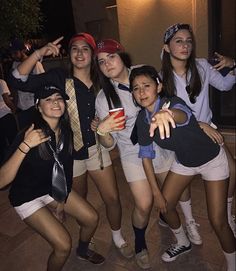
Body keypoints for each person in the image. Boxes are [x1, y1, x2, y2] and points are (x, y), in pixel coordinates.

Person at [8, 33, 133, 260]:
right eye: (74, 48)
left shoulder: (101, 80)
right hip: (69, 154)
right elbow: (17, 79)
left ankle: (117, 237)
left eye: (85, 49)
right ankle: (87, 238)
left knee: (112, 198)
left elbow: (129, 83)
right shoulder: (58, 77)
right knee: (80, 199)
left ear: (93, 55)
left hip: (96, 149)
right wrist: (38, 53)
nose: (79, 53)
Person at [129, 64, 235, 271]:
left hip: (212, 159)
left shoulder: (172, 103)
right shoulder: (142, 121)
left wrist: (166, 115)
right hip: (184, 163)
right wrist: (155, 192)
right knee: (165, 206)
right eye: (135, 88)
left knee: (218, 221)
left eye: (146, 85)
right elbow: (146, 158)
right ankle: (182, 242)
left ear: (158, 87)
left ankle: (232, 264)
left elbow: (183, 115)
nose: (141, 92)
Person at [0, 85, 105, 271]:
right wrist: (25, 144)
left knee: (91, 218)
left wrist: (61, 200)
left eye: (58, 98)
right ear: (38, 107)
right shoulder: (28, 133)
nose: (55, 102)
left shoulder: (65, 132)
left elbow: (66, 169)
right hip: (26, 197)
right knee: (63, 246)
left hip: (51, 188)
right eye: (48, 99)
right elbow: (2, 181)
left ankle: (82, 250)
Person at [94, 39, 174, 269]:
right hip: (132, 152)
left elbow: (167, 99)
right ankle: (140, 244)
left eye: (111, 56)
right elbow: (108, 145)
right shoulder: (103, 98)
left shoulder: (143, 73)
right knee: (144, 202)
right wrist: (103, 130)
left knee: (169, 196)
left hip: (161, 144)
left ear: (122, 56)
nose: (107, 63)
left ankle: (164, 219)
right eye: (101, 61)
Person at [160, 23, 236, 236]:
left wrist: (234, 65)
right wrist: (197, 124)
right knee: (181, 182)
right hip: (182, 136)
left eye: (188, 41)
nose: (185, 45)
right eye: (178, 41)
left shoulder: (201, 66)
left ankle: (227, 217)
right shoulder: (161, 79)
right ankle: (190, 222)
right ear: (166, 48)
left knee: (233, 171)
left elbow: (225, 85)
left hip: (209, 133)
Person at [9, 38, 45, 129]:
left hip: (33, 106)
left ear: (23, 50)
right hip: (21, 108)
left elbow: (43, 84)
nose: (13, 56)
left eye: (15, 53)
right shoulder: (15, 65)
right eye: (12, 53)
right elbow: (14, 87)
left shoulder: (36, 64)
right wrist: (14, 106)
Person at [0, 78, 18, 164]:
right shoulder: (1, 82)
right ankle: (16, 163)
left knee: (2, 144)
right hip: (5, 115)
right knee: (14, 140)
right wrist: (14, 110)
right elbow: (6, 99)